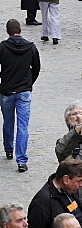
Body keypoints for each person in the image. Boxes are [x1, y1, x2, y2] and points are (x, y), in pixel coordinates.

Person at [0, 19, 40, 173]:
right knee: (23, 126)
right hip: (24, 91)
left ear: (7, 31)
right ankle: (21, 160)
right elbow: (36, 67)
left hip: (7, 91)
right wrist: (29, 82)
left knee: (8, 122)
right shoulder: (30, 47)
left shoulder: (3, 47)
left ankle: (8, 149)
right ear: (20, 30)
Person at [25, 159, 82, 228]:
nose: (81, 185)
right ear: (66, 179)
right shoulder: (42, 202)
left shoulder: (69, 191)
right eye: (78, 181)